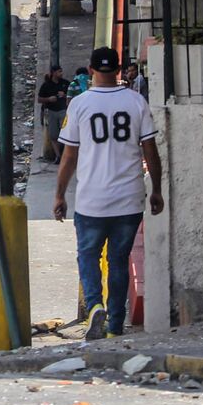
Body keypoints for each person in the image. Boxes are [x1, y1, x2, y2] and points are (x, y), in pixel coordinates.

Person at [54, 46, 164, 340]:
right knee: (119, 260)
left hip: (92, 200)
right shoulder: (136, 102)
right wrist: (157, 189)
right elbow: (150, 150)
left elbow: (69, 156)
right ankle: (115, 326)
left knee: (88, 256)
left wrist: (59, 194)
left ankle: (94, 306)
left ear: (90, 71)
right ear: (118, 71)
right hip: (128, 198)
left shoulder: (79, 105)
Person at [37, 64, 69, 164]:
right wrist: (48, 99)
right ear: (54, 73)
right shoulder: (46, 85)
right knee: (53, 135)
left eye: (61, 71)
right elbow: (39, 99)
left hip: (63, 110)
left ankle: (65, 155)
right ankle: (58, 156)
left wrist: (64, 95)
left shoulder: (65, 83)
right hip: (51, 111)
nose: (61, 73)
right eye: (59, 71)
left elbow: (72, 95)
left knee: (65, 134)